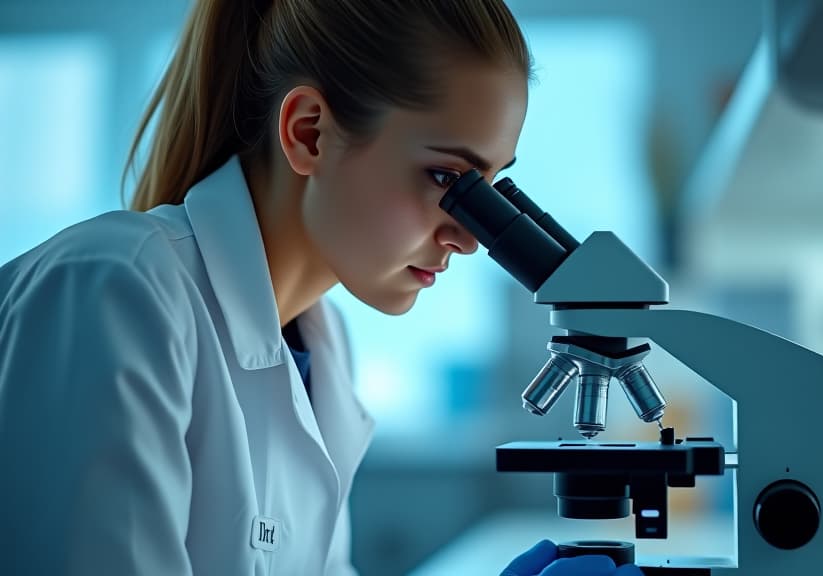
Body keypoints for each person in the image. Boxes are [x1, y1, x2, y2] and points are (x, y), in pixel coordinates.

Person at [0, 0, 642, 574]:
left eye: (491, 189)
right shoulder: (114, 292)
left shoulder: (320, 342)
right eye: (448, 179)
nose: (470, 238)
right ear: (308, 132)